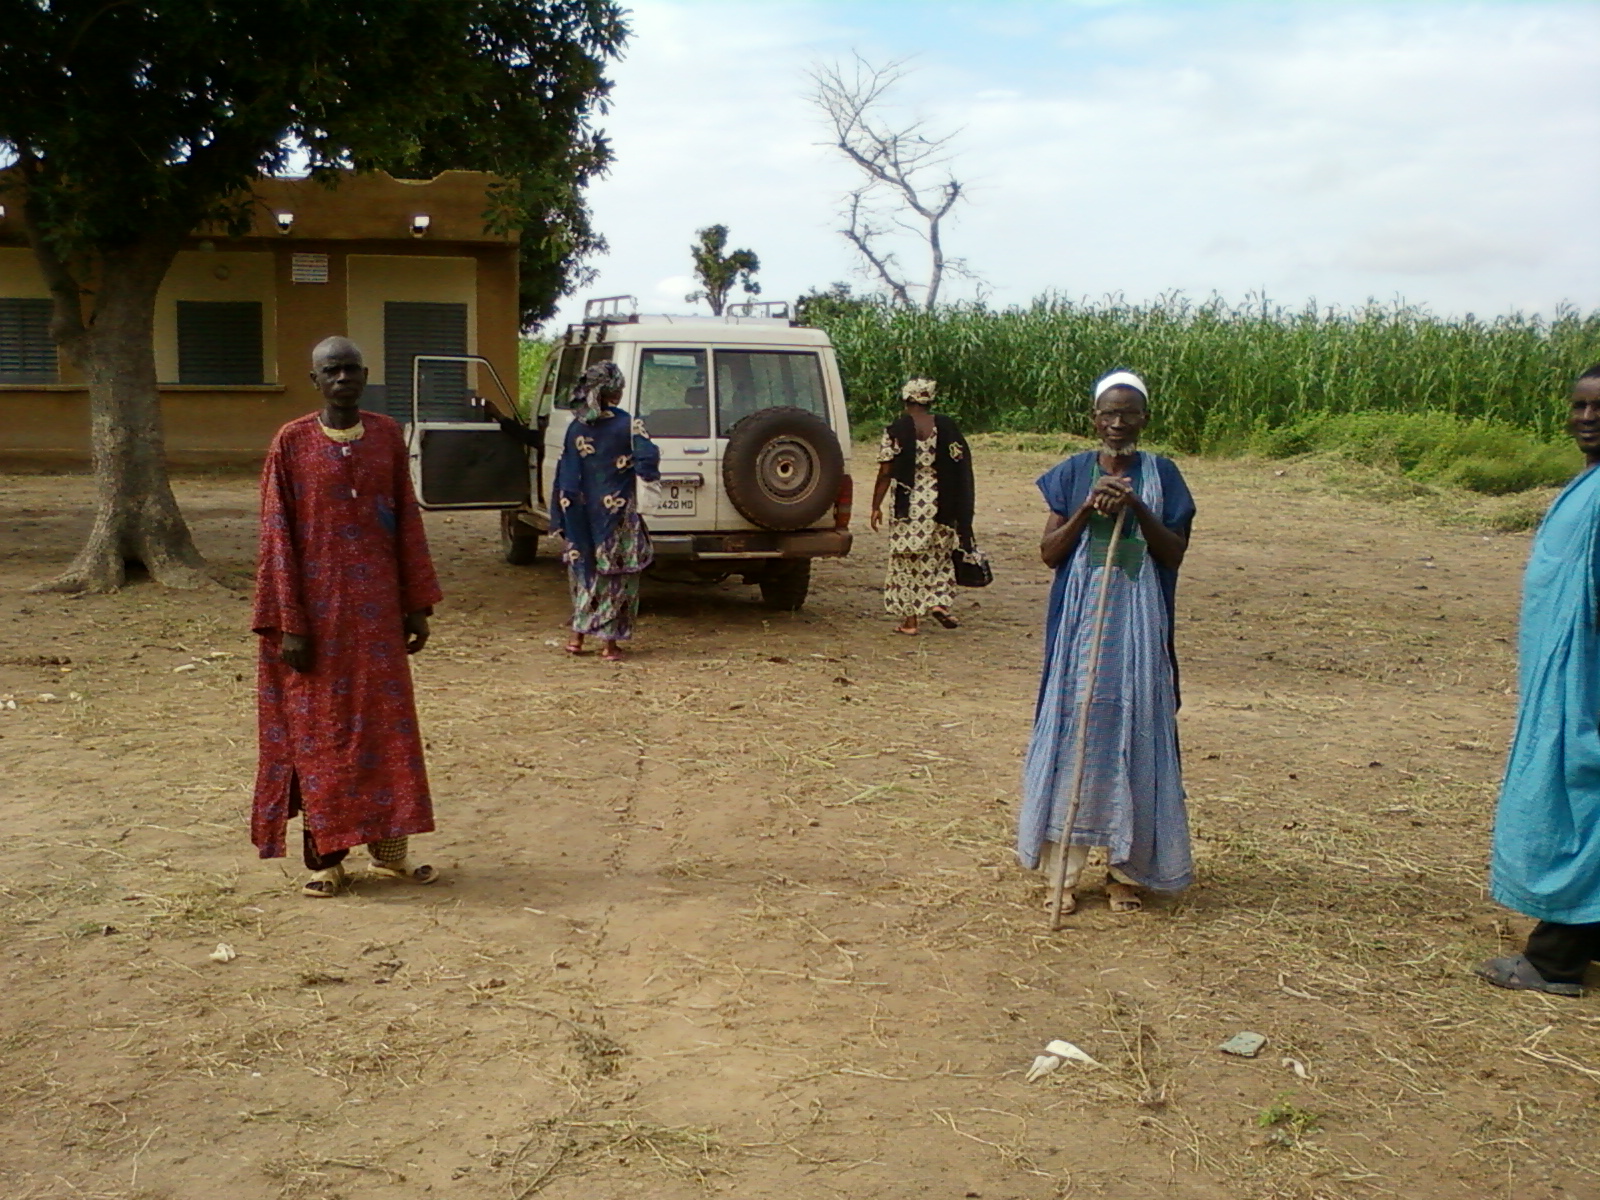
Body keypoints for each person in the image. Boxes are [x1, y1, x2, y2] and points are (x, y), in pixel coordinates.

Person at [252, 337, 443, 898]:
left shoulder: (386, 436)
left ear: (365, 376)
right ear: (316, 380)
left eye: (351, 370)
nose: (342, 379)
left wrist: (417, 606)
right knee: (322, 736)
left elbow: (407, 519)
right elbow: (276, 538)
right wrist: (289, 623)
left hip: (380, 620)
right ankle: (326, 862)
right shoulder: (292, 443)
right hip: (317, 622)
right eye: (331, 371)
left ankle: (391, 855)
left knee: (387, 735)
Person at [1016, 370, 1196, 915]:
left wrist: (1138, 506)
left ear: (1144, 418)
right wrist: (1086, 508)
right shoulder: (1072, 474)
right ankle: (1062, 876)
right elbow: (1049, 554)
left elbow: (1173, 552)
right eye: (1108, 413)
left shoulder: (1163, 475)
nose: (1118, 423)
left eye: (1129, 413)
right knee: (1076, 728)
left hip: (1139, 631)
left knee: (1136, 728)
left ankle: (1128, 871)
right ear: (1094, 419)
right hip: (1080, 631)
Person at [1476, 365, 1600, 997]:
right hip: (1568, 671)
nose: (1587, 417)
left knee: (1582, 800)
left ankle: (1555, 959)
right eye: (1579, 406)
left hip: (1586, 680)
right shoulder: (1589, 484)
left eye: (1598, 407)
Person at [550, 361, 661, 662]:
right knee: (617, 577)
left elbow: (564, 470)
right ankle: (609, 645)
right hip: (616, 515)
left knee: (584, 572)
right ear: (618, 391)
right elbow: (648, 459)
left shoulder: (576, 426)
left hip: (578, 515)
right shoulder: (629, 424)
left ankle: (576, 639)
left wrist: (560, 514)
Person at [869, 377, 976, 635]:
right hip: (942, 502)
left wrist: (876, 505)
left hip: (910, 504)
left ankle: (910, 622)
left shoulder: (896, 429)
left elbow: (886, 470)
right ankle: (939, 603)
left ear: (906, 401)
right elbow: (960, 463)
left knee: (906, 561)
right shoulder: (947, 426)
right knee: (938, 556)